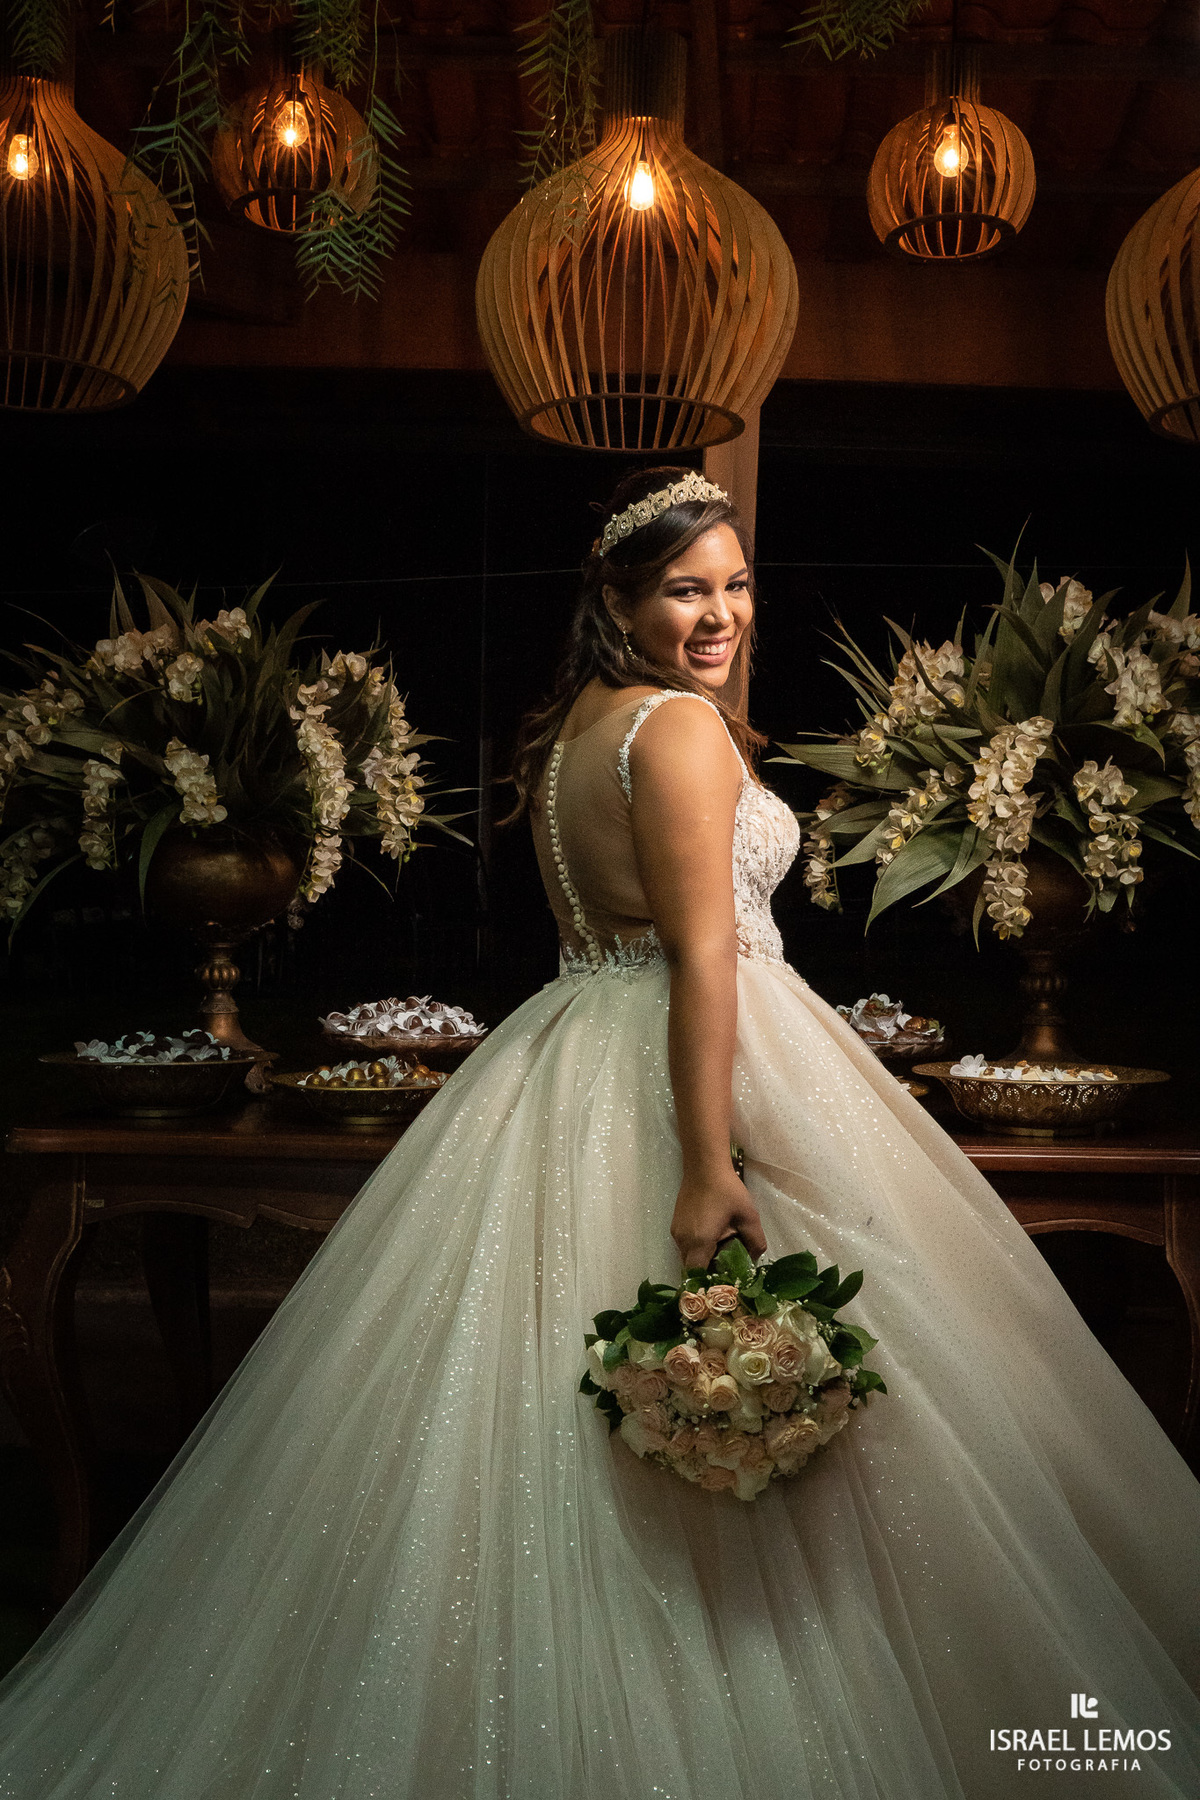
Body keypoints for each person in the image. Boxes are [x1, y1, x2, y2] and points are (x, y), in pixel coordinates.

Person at [1, 467, 1198, 1800]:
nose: (720, 613)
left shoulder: (575, 726)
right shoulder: (679, 731)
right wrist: (705, 1164)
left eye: (736, 585)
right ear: (619, 600)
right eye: (686, 589)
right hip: (692, 1056)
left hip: (565, 1052)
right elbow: (701, 956)